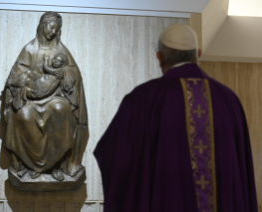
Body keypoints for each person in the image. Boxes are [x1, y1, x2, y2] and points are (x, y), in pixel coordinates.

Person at [94, 24, 258, 212]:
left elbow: (115, 157)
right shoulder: (228, 100)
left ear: (159, 57)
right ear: (198, 53)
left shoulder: (143, 99)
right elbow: (243, 171)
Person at [4, 12, 88, 181]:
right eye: (51, 27)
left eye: (57, 29)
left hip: (55, 97)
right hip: (31, 99)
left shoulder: (61, 50)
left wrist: (64, 72)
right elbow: (14, 78)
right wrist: (29, 83)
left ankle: (55, 165)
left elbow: (74, 75)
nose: (53, 32)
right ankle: (32, 165)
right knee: (24, 115)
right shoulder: (29, 50)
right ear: (42, 26)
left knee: (61, 109)